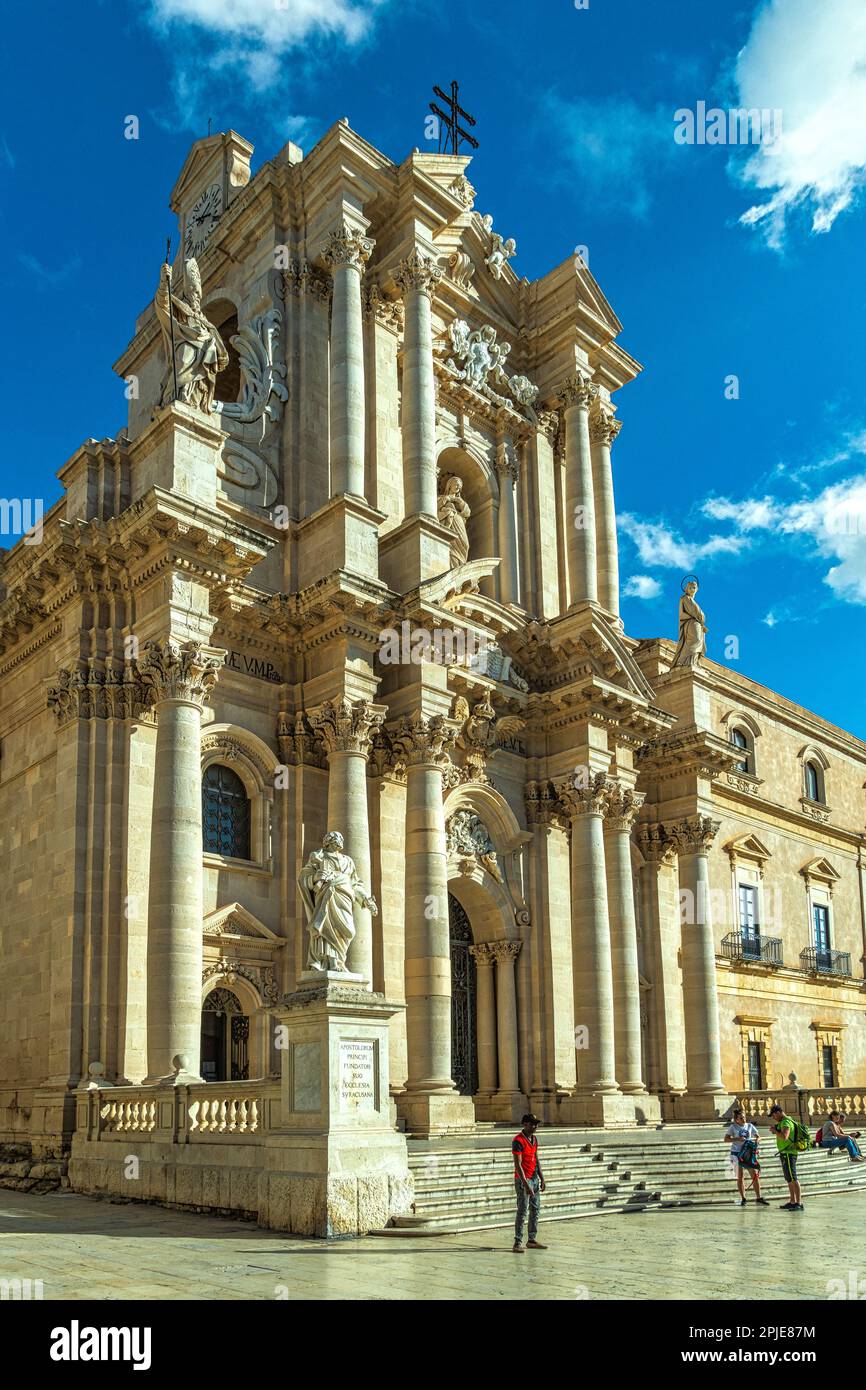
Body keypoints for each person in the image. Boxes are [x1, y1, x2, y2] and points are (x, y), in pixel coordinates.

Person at [512, 1113, 546, 1253]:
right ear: (524, 1124)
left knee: (535, 1209)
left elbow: (536, 1159)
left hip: (534, 1178)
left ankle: (531, 1239)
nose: (535, 1126)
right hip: (523, 1180)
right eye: (532, 1124)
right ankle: (517, 1242)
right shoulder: (518, 1141)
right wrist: (525, 1184)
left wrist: (542, 1178)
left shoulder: (534, 1139)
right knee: (522, 1211)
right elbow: (517, 1164)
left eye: (536, 1124)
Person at [724, 1107, 769, 1205]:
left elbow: (758, 1136)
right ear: (736, 1119)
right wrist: (736, 1139)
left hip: (748, 1153)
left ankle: (759, 1197)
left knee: (754, 1176)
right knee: (740, 1177)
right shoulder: (733, 1127)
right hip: (736, 1153)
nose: (743, 1119)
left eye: (744, 1117)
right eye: (741, 1118)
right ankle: (743, 1198)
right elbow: (726, 1139)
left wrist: (757, 1140)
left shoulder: (750, 1126)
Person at [769, 1103, 803, 1211]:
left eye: (774, 1115)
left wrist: (775, 1131)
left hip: (789, 1153)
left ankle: (799, 1203)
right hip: (785, 1153)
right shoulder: (782, 1122)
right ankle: (792, 1201)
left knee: (793, 1177)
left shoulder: (787, 1122)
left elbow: (785, 1136)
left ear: (778, 1113)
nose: (773, 1118)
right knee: (789, 1179)